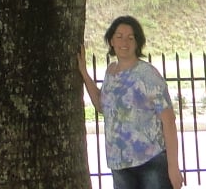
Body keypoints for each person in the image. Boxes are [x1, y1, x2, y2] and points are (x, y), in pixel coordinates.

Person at [78, 14, 184, 189]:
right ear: (111, 41)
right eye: (119, 37)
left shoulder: (148, 74)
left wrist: (173, 166)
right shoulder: (111, 72)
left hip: (151, 162)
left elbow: (168, 120)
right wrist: (83, 73)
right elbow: (101, 105)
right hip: (119, 165)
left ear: (137, 42)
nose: (124, 42)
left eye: (130, 37)